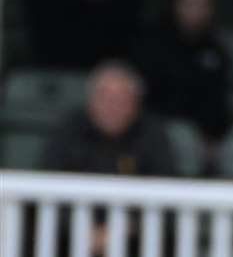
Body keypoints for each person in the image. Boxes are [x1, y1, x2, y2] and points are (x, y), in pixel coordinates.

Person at [135, 0, 232, 169]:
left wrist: (213, 138)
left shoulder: (217, 53)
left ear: (210, 10)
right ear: (176, 5)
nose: (195, 10)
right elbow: (143, 98)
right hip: (154, 134)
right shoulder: (153, 46)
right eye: (189, 3)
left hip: (201, 142)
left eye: (202, 4)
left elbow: (219, 104)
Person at [42, 61, 177, 181]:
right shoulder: (69, 130)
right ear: (91, 101)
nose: (112, 107)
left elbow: (167, 183)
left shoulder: (152, 134)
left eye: (121, 100)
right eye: (105, 98)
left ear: (135, 104)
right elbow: (46, 178)